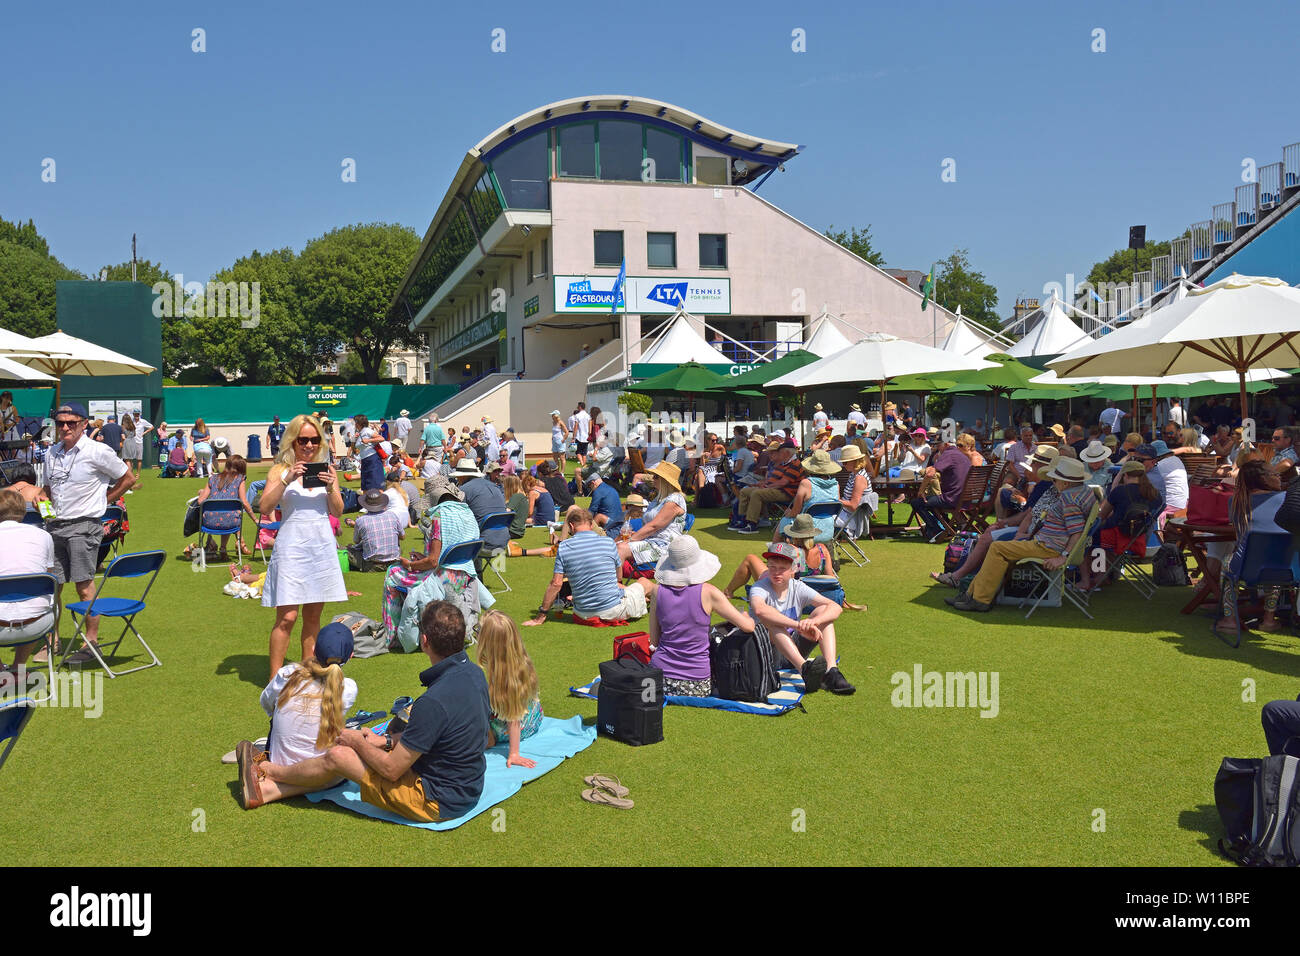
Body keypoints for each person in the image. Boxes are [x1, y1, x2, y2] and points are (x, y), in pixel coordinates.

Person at [243, 601, 491, 821]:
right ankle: (267, 791)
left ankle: (273, 773)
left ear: (424, 642)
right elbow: (439, 734)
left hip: (435, 801)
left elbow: (391, 770)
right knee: (353, 751)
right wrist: (384, 741)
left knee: (339, 756)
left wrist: (356, 742)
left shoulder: (432, 702)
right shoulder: (474, 674)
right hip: (467, 789)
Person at [37, 402, 136, 665]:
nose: (65, 427)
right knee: (52, 587)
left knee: (83, 586)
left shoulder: (97, 451)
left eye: (71, 422)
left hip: (84, 525)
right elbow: (48, 487)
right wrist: (42, 500)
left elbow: (128, 478)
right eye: (60, 423)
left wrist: (106, 500)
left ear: (84, 423)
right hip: (54, 526)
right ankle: (52, 640)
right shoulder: (52, 452)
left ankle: (91, 642)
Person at [949, 457, 1095, 612]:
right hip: (1048, 543)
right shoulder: (1085, 492)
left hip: (1048, 546)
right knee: (999, 549)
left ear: (1065, 483)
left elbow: (1076, 531)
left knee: (997, 548)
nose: (1053, 482)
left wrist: (1063, 556)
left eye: (1055, 479)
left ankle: (979, 599)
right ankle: (973, 595)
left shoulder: (1068, 499)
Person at [259, 414, 346, 676]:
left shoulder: (326, 470)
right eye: (303, 440)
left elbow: (338, 511)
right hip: (291, 548)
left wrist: (332, 487)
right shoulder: (279, 470)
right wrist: (287, 479)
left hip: (320, 548)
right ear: (292, 441)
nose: (308, 446)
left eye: (314, 440)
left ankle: (308, 672)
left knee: (312, 617)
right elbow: (264, 507)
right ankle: (275, 679)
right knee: (287, 617)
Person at [240, 621, 358, 802]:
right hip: (316, 772)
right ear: (351, 655)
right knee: (346, 761)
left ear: (313, 649)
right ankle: (268, 787)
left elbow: (266, 703)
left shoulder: (287, 673)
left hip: (278, 758)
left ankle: (268, 784)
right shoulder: (348, 687)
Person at [647, 536, 755, 697]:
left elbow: (654, 641)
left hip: (658, 678)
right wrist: (747, 616)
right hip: (696, 681)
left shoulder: (657, 591)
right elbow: (748, 626)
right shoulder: (708, 592)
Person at [749, 542, 854, 694]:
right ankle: (805, 671)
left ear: (793, 569)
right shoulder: (759, 587)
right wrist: (798, 625)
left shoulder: (798, 587)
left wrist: (814, 622)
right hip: (768, 653)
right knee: (771, 622)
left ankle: (832, 671)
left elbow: (835, 607)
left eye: (782, 568)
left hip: (793, 648)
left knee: (823, 612)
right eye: (772, 567)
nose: (776, 572)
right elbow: (759, 610)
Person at [525, 507, 654, 626]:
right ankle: (668, 607)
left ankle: (646, 599)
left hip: (583, 613)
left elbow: (556, 583)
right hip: (612, 610)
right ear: (591, 525)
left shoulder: (564, 547)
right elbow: (617, 577)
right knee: (645, 583)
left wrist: (541, 616)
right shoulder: (609, 543)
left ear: (571, 526)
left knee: (628, 589)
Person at [1213, 459, 1286, 638]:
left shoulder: (1235, 502)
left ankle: (1230, 620)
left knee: (1228, 563)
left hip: (1246, 566)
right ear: (1262, 479)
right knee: (1276, 558)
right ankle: (1269, 619)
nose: (1279, 476)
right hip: (1287, 567)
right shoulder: (1286, 499)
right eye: (1274, 474)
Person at [1075, 459, 1163, 591]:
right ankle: (1102, 575)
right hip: (1138, 536)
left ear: (1125, 475)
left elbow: (1102, 515)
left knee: (1088, 538)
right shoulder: (1154, 494)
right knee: (1097, 538)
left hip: (1116, 535)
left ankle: (1091, 578)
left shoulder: (1119, 492)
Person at [0, 489, 57, 675]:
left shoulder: (43, 536)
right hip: (38, 624)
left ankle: (2, 669)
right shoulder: (44, 536)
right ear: (23, 511)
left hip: (20, 624)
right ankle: (18, 667)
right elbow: (47, 577)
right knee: (36, 601)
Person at [477, 610, 542, 768]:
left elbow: (514, 716)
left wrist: (514, 753)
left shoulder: (507, 677)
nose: (476, 634)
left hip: (519, 725)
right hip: (532, 715)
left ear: (489, 642)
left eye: (478, 631)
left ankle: (489, 737)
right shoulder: (516, 659)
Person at [724, 513, 833, 597]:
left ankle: (728, 592)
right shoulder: (822, 549)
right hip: (811, 592)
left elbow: (787, 583)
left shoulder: (793, 551)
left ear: (795, 535)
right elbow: (831, 578)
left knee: (750, 558)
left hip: (789, 592)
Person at [618, 462, 688, 564]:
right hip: (651, 541)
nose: (652, 479)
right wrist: (634, 535)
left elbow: (654, 526)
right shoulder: (658, 499)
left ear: (665, 481)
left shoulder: (675, 499)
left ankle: (616, 580)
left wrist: (632, 539)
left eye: (656, 477)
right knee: (614, 546)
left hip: (665, 545)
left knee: (621, 548)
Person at [910, 433, 973, 542]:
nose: (936, 448)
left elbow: (930, 474)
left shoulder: (949, 454)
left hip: (952, 499)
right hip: (964, 498)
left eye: (938, 445)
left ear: (947, 444)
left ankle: (936, 529)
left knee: (917, 502)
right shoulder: (962, 455)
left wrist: (921, 491)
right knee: (932, 501)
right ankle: (947, 527)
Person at [731, 442, 802, 534]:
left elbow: (783, 482)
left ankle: (752, 524)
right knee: (745, 491)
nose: (779, 454)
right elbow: (772, 480)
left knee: (757, 494)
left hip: (786, 493)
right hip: (778, 490)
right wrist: (759, 484)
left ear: (787, 453)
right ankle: (743, 520)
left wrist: (765, 486)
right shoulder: (784, 463)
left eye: (780, 452)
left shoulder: (794, 464)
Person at [195, 455, 256, 558]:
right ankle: (229, 547)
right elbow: (244, 502)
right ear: (241, 468)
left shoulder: (212, 478)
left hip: (209, 522)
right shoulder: (240, 479)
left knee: (225, 513)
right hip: (231, 522)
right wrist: (255, 520)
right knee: (230, 514)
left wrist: (202, 492)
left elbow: (200, 501)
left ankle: (223, 548)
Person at [774, 449, 841, 543]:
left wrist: (788, 513)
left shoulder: (806, 483)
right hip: (828, 530)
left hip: (805, 530)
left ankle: (775, 553)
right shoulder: (836, 485)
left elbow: (795, 512)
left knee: (783, 522)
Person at [452, 458, 509, 553]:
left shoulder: (464, 489)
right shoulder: (495, 487)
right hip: (503, 542)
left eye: (458, 477)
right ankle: (476, 568)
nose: (457, 479)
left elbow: (457, 519)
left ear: (463, 476)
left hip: (481, 544)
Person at [347, 489, 404, 572]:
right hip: (393, 562)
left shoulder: (361, 521)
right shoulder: (392, 515)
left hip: (372, 564)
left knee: (347, 550)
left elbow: (356, 541)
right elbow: (402, 536)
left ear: (366, 504)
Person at [583, 465, 624, 538]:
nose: (590, 489)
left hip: (611, 523)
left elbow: (592, 511)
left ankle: (586, 535)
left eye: (589, 486)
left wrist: (582, 523)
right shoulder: (610, 488)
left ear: (593, 483)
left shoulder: (598, 491)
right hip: (618, 521)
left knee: (598, 517)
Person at [351, 414, 384, 491]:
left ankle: (381, 501)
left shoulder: (367, 430)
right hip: (365, 460)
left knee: (376, 484)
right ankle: (366, 502)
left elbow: (381, 438)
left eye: (355, 422)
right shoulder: (360, 432)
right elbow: (355, 449)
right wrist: (354, 439)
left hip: (372, 460)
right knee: (366, 485)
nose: (354, 424)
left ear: (359, 423)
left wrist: (369, 440)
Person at [502, 474, 528, 538]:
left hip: (513, 531)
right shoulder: (521, 496)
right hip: (518, 531)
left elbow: (506, 512)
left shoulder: (516, 496)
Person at [121, 414, 142, 482]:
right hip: (133, 442)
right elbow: (135, 434)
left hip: (126, 442)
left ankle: (129, 476)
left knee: (127, 460)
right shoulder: (132, 426)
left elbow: (123, 437)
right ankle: (131, 475)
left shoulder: (123, 426)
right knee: (131, 460)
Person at [572, 402, 592, 468]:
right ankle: (584, 467)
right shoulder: (588, 416)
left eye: (578, 406)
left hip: (579, 437)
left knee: (578, 452)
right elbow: (590, 427)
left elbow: (576, 427)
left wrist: (573, 437)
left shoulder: (577, 416)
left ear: (580, 407)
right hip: (586, 437)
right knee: (584, 454)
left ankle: (583, 465)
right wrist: (590, 435)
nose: (577, 407)